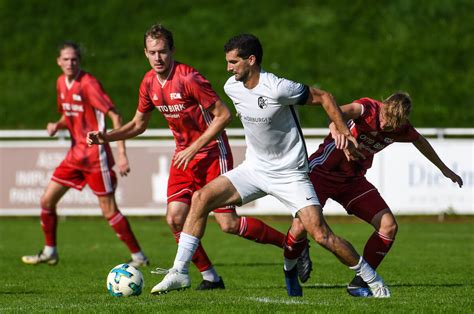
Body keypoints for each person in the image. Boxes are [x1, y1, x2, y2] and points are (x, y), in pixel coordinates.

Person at [150, 33, 391, 298]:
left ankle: (373, 280)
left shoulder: (278, 87)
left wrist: (344, 131)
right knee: (201, 197)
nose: (228, 68)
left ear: (251, 60)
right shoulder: (232, 87)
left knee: (322, 236)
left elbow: (324, 97)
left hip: (291, 175)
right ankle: (179, 272)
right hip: (254, 170)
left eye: (233, 62)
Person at [86, 24, 311, 290]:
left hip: (212, 153)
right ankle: (210, 276)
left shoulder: (189, 78)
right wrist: (106, 137)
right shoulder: (148, 83)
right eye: (152, 53)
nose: (158, 58)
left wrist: (195, 147)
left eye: (162, 52)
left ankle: (292, 244)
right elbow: (138, 124)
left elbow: (223, 115)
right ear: (145, 53)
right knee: (175, 218)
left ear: (172, 51)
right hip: (184, 157)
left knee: (227, 224)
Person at [288, 92, 464, 297]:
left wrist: (444, 169)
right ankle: (295, 258)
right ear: (384, 107)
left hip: (353, 180)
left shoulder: (401, 128)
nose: (386, 125)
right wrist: (337, 130)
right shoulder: (367, 108)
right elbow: (336, 112)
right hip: (322, 172)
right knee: (300, 227)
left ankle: (360, 282)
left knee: (388, 226)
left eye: (393, 123)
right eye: (385, 118)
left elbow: (421, 141)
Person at [21, 41, 149, 268]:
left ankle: (138, 256)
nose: (70, 63)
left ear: (79, 61)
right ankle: (50, 251)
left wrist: (121, 154)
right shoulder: (61, 83)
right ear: (58, 62)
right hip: (74, 156)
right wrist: (56, 126)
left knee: (109, 211)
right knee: (47, 200)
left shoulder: (88, 84)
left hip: (95, 157)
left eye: (74, 59)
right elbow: (69, 116)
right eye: (66, 59)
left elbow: (116, 116)